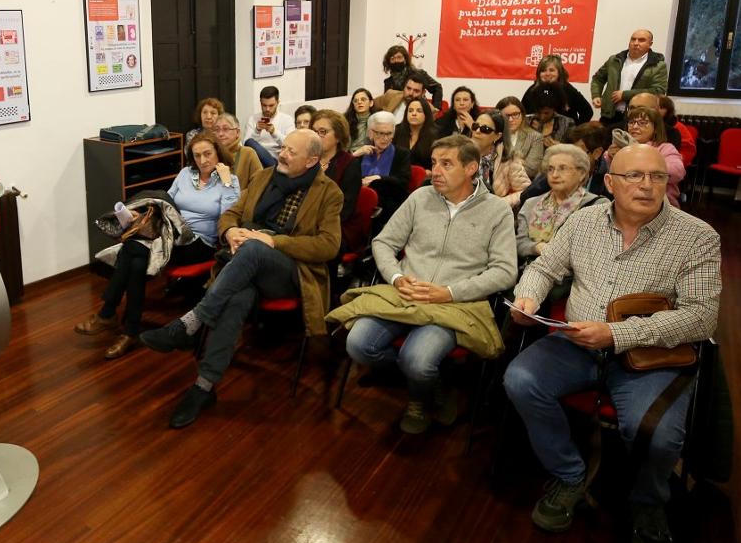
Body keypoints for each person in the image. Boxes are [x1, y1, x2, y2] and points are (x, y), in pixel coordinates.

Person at [503, 144, 721, 543]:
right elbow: (546, 268)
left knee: (657, 434)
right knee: (520, 380)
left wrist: (616, 333)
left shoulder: (697, 236)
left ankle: (647, 502)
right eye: (633, 176)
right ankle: (569, 475)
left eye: (657, 176)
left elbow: (701, 319)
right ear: (609, 182)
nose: (647, 185)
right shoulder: (583, 221)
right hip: (576, 342)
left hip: (648, 353)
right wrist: (528, 296)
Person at [139, 129, 343, 428]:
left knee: (254, 248)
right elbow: (231, 213)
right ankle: (203, 388)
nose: (282, 154)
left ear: (312, 161)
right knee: (237, 297)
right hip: (245, 264)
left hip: (290, 270)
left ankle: (192, 323)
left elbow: (328, 245)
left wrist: (275, 242)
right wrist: (230, 231)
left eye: (291, 152)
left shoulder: (329, 193)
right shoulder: (264, 178)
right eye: (283, 147)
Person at [338, 134, 516, 434]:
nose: (435, 171)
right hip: (405, 294)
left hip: (453, 303)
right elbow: (383, 243)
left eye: (447, 164)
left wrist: (450, 292)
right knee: (358, 345)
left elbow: (505, 271)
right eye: (434, 163)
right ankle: (433, 385)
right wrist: (396, 277)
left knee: (417, 359)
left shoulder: (496, 210)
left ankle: (419, 398)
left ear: (471, 168)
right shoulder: (420, 198)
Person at [76, 133, 239, 359]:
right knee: (136, 258)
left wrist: (227, 181)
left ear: (218, 153)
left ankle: (108, 313)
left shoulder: (228, 181)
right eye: (197, 155)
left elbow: (229, 217)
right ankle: (128, 330)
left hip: (200, 243)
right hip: (171, 234)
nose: (203, 160)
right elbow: (166, 201)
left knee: (133, 248)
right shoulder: (185, 174)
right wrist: (142, 212)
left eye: (208, 154)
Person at [516, 144, 599, 269]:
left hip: (574, 277)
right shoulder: (531, 203)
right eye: (550, 169)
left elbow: (595, 251)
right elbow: (519, 242)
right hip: (531, 270)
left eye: (562, 169)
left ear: (582, 173)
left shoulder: (596, 206)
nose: (554, 175)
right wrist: (536, 247)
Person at [604, 106, 686, 208]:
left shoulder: (664, 148)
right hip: (625, 202)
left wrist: (642, 161)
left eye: (642, 123)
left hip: (661, 204)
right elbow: (610, 175)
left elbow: (678, 172)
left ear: (655, 128)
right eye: (631, 122)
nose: (634, 126)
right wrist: (610, 157)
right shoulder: (621, 146)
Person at [520, 122, 612, 204]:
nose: (571, 158)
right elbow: (526, 196)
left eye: (577, 152)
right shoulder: (557, 168)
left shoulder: (607, 178)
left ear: (597, 153)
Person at [312, 109, 364, 253]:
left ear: (338, 136)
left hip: (338, 227)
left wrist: (314, 223)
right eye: (314, 131)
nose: (317, 136)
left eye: (323, 132)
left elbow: (345, 209)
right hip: (308, 221)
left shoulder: (349, 164)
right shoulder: (308, 159)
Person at [590, 29, 668, 124]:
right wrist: (596, 95)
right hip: (609, 115)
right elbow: (598, 78)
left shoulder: (658, 65)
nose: (636, 43)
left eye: (641, 40)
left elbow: (658, 91)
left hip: (637, 117)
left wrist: (625, 95)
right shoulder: (614, 60)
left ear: (650, 44)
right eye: (633, 39)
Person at [471, 110, 530, 206]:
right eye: (475, 126)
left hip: (492, 212)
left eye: (485, 129)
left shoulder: (508, 158)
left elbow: (525, 190)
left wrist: (500, 204)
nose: (477, 131)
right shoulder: (460, 152)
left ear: (497, 136)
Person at [522, 54, 593, 124]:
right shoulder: (532, 90)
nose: (547, 74)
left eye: (551, 70)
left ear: (559, 72)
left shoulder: (568, 90)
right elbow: (522, 113)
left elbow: (587, 112)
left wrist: (575, 129)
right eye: (543, 71)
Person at [244, 85, 294, 168]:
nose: (267, 109)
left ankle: (274, 170)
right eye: (264, 105)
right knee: (250, 142)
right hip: (256, 158)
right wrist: (257, 131)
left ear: (278, 102)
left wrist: (274, 133)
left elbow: (291, 146)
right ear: (260, 102)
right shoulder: (252, 119)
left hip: (277, 159)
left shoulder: (287, 119)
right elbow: (246, 145)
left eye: (271, 105)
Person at [496, 96, 545, 178]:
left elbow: (531, 170)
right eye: (506, 116)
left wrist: (503, 165)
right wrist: (519, 162)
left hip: (523, 186)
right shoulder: (493, 134)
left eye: (515, 114)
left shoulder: (535, 137)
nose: (511, 119)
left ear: (522, 114)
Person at [214, 112, 259, 191]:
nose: (220, 134)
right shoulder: (211, 155)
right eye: (217, 130)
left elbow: (259, 185)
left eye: (225, 129)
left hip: (242, 201)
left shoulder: (248, 153)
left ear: (237, 132)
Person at [393, 97, 437, 169]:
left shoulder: (434, 136)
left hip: (424, 176)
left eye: (419, 111)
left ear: (426, 114)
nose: (413, 114)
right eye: (410, 111)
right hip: (398, 174)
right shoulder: (397, 130)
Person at [658, 95, 696, 165]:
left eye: (660, 108)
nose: (656, 110)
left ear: (668, 110)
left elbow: (688, 150)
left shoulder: (677, 127)